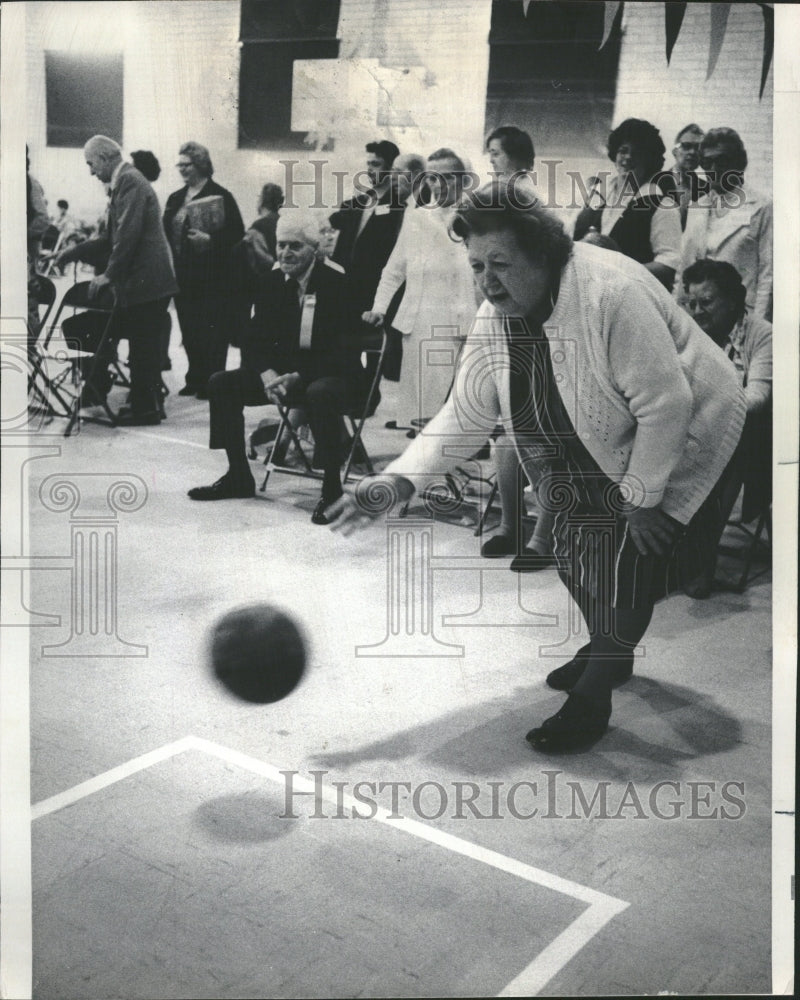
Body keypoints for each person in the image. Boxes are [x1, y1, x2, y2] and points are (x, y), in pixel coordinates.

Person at [328, 183, 746, 754]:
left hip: (690, 427)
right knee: (573, 546)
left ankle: (596, 692)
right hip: (599, 443)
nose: (486, 280)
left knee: (629, 558)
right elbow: (466, 412)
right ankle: (610, 649)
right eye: (476, 265)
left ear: (544, 255)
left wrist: (647, 498)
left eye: (500, 263)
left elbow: (666, 404)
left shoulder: (610, 291)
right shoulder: (496, 315)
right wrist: (398, 479)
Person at [187, 211, 362, 524]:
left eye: (295, 245)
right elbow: (253, 340)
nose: (286, 253)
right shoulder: (270, 282)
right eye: (281, 245)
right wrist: (267, 373)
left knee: (319, 391)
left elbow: (345, 351)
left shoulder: (338, 283)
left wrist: (299, 376)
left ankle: (332, 489)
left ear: (314, 249)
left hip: (331, 377)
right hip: (281, 377)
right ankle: (239, 476)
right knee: (220, 382)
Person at [55, 136, 178, 425]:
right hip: (144, 286)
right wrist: (71, 252)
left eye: (91, 164)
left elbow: (127, 236)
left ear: (105, 157)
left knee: (142, 348)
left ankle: (144, 408)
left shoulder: (130, 182)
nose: (90, 171)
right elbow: (110, 238)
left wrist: (109, 274)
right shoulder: (122, 183)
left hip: (148, 286)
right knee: (81, 327)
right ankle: (100, 384)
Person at [363, 149, 477, 429]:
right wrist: (379, 308)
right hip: (417, 323)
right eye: (433, 178)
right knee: (418, 406)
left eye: (447, 177)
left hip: (456, 324)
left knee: (450, 409)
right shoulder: (416, 217)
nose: (438, 184)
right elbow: (394, 270)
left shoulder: (476, 217)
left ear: (463, 180)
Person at [682, 258, 772, 595]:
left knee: (730, 444)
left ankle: (702, 558)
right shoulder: (691, 332)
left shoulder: (762, 334)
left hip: (755, 437)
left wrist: (712, 412)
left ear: (733, 301)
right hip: (701, 429)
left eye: (706, 302)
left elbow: (759, 397)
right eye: (691, 302)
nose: (697, 311)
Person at [163, 142, 245, 398]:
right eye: (180, 165)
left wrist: (211, 242)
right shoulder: (176, 197)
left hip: (212, 276)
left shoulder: (221, 195)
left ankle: (212, 380)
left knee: (212, 330)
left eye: (186, 165)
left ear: (200, 164)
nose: (182, 170)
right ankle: (195, 377)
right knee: (189, 329)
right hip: (184, 274)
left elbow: (237, 234)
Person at [574, 117, 682, 290]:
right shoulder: (599, 194)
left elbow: (668, 266)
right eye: (623, 150)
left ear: (649, 159)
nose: (628, 157)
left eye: (637, 153)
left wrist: (619, 272)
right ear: (615, 153)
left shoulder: (661, 205)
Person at [680, 127, 772, 320]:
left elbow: (767, 276)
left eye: (722, 161)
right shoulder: (697, 207)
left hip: (739, 318)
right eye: (707, 162)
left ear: (740, 162)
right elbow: (684, 269)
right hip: (699, 318)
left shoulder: (762, 208)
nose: (714, 170)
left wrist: (756, 327)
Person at [666, 124, 705, 231]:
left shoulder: (707, 190)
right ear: (675, 151)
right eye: (686, 146)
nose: (692, 152)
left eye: (698, 148)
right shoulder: (655, 184)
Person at [485, 125, 537, 198]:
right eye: (490, 154)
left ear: (514, 156)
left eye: (495, 154)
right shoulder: (496, 189)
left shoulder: (523, 194)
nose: (491, 161)